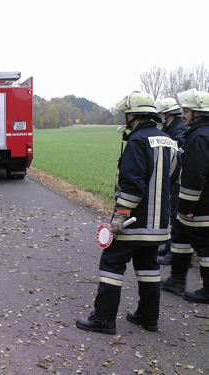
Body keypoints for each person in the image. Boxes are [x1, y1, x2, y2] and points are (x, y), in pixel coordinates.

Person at [76, 91, 179, 334]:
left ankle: (103, 319)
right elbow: (174, 179)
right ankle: (148, 317)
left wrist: (120, 217)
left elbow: (132, 185)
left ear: (133, 115)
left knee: (111, 264)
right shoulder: (169, 141)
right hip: (159, 224)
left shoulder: (136, 141)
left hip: (133, 221)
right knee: (148, 267)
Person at [161, 88, 209, 304]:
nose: (183, 115)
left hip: (200, 205)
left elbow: (193, 175)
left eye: (187, 111)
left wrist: (186, 206)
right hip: (198, 203)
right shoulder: (200, 133)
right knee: (180, 237)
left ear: (197, 113)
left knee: (204, 247)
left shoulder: (199, 137)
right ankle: (177, 279)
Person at [154, 98, 188, 265]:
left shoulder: (179, 130)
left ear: (167, 114)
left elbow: (179, 151)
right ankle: (168, 246)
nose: (160, 116)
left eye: (161, 113)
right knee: (170, 213)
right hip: (172, 178)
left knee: (174, 215)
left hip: (177, 179)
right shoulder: (170, 127)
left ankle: (173, 251)